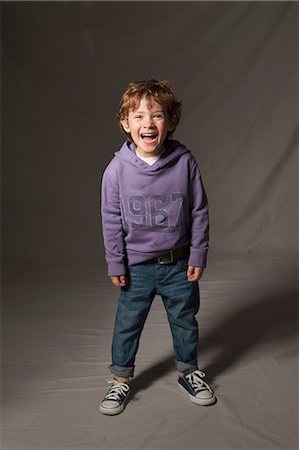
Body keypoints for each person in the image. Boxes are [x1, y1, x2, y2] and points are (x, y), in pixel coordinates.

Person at [100, 79, 216, 415]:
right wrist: (115, 263)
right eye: (138, 116)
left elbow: (199, 210)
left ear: (171, 121)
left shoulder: (184, 162)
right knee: (127, 324)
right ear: (125, 123)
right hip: (136, 267)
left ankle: (189, 371)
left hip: (178, 264)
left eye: (157, 115)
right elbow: (110, 219)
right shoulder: (117, 170)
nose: (147, 123)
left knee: (185, 320)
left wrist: (198, 253)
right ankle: (120, 380)